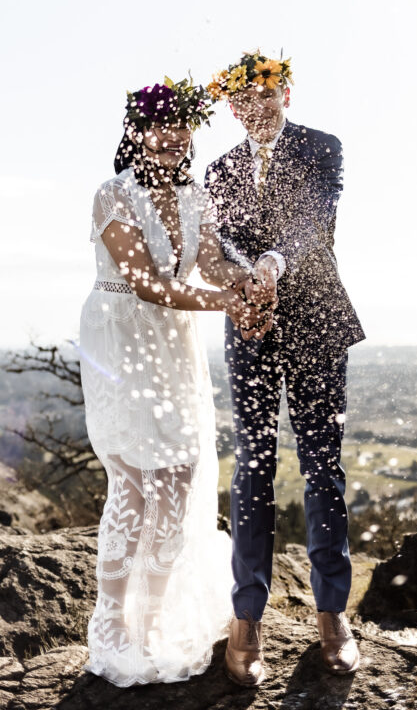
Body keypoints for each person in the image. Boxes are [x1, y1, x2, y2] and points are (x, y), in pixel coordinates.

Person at [79, 77, 268, 687]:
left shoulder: (196, 198)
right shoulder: (113, 194)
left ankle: (152, 616)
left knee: (180, 478)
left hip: (173, 346)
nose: (169, 139)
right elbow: (146, 283)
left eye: (179, 128)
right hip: (121, 336)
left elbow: (212, 263)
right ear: (135, 131)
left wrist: (250, 279)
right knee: (134, 481)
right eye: (158, 127)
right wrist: (227, 303)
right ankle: (111, 617)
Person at [205, 52, 366, 686]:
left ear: (286, 95)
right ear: (231, 107)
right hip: (251, 325)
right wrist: (241, 288)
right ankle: (247, 618)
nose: (256, 110)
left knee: (323, 465)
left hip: (318, 319)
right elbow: (218, 244)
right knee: (252, 465)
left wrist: (271, 262)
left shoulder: (322, 148)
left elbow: (313, 221)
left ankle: (333, 615)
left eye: (266, 98)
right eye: (243, 102)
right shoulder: (219, 170)